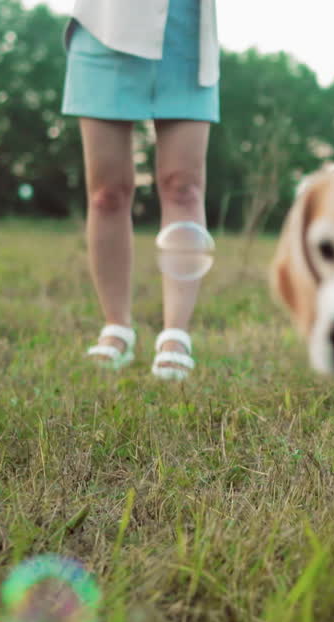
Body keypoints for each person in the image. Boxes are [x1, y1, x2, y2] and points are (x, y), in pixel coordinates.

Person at [61, 0, 220, 380]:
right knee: (107, 193)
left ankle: (175, 334)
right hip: (105, 27)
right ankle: (116, 327)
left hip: (188, 36)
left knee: (184, 188)